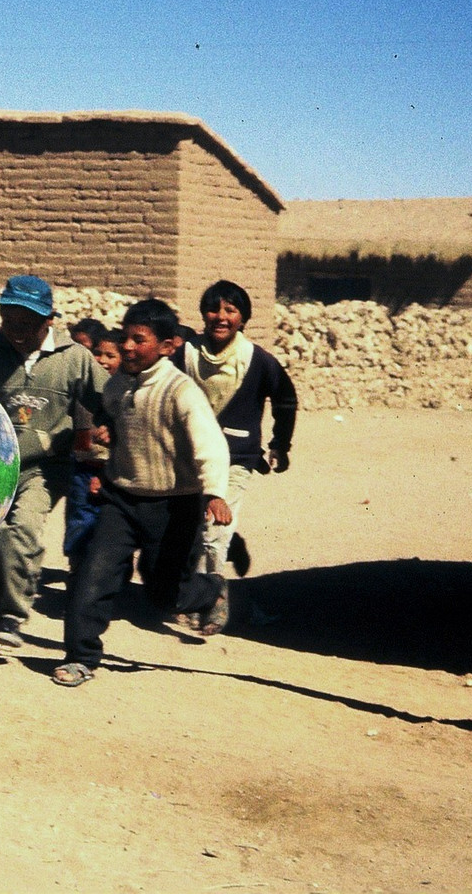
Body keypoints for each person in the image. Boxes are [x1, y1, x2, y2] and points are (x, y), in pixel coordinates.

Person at [54, 299, 231, 687]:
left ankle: (209, 590)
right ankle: (81, 657)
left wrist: (214, 493)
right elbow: (112, 420)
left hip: (173, 505)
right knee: (92, 577)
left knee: (164, 594)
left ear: (167, 346)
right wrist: (105, 447)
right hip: (122, 499)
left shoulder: (180, 391)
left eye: (140, 340)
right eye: (125, 338)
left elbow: (210, 445)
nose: (129, 347)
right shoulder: (117, 383)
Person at [0, 276, 107, 658]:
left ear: (48, 320)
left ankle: (12, 617)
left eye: (26, 323)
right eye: (9, 321)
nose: (17, 331)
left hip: (45, 468)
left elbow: (111, 398)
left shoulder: (73, 358)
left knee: (22, 527)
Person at [178, 280, 297, 602]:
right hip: (188, 458)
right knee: (186, 528)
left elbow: (285, 399)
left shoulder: (257, 360)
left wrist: (280, 445)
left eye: (230, 310)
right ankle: (192, 584)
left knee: (214, 530)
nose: (221, 316)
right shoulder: (185, 354)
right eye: (214, 308)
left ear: (243, 319)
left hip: (236, 458)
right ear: (203, 314)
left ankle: (211, 597)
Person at [63, 328, 124, 557]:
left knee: (113, 529)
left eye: (111, 356)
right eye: (98, 353)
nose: (102, 360)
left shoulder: (125, 391)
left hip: (113, 472)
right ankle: (77, 572)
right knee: (80, 522)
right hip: (83, 468)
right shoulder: (83, 388)